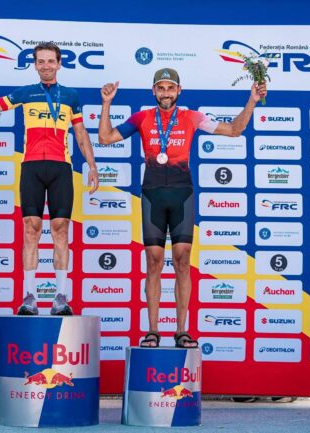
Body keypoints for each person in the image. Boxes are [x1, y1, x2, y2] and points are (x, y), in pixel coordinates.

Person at [98, 68, 266, 348]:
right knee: (153, 262)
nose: (166, 93)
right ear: (154, 91)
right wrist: (106, 104)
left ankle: (181, 330)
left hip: (182, 195)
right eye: (161, 88)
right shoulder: (142, 118)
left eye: (170, 88)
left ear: (179, 91)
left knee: (182, 261)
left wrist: (252, 101)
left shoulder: (192, 117)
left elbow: (234, 130)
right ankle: (152, 331)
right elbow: (105, 138)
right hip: (152, 195)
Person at [0, 42, 99, 316]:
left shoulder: (71, 96)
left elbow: (81, 133)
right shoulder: (26, 92)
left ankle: (61, 297)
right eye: (41, 61)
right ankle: (29, 297)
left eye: (51, 61)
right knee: (31, 229)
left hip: (61, 167)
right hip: (32, 166)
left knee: (61, 229)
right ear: (35, 65)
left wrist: (92, 165)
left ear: (59, 64)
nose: (46, 65)